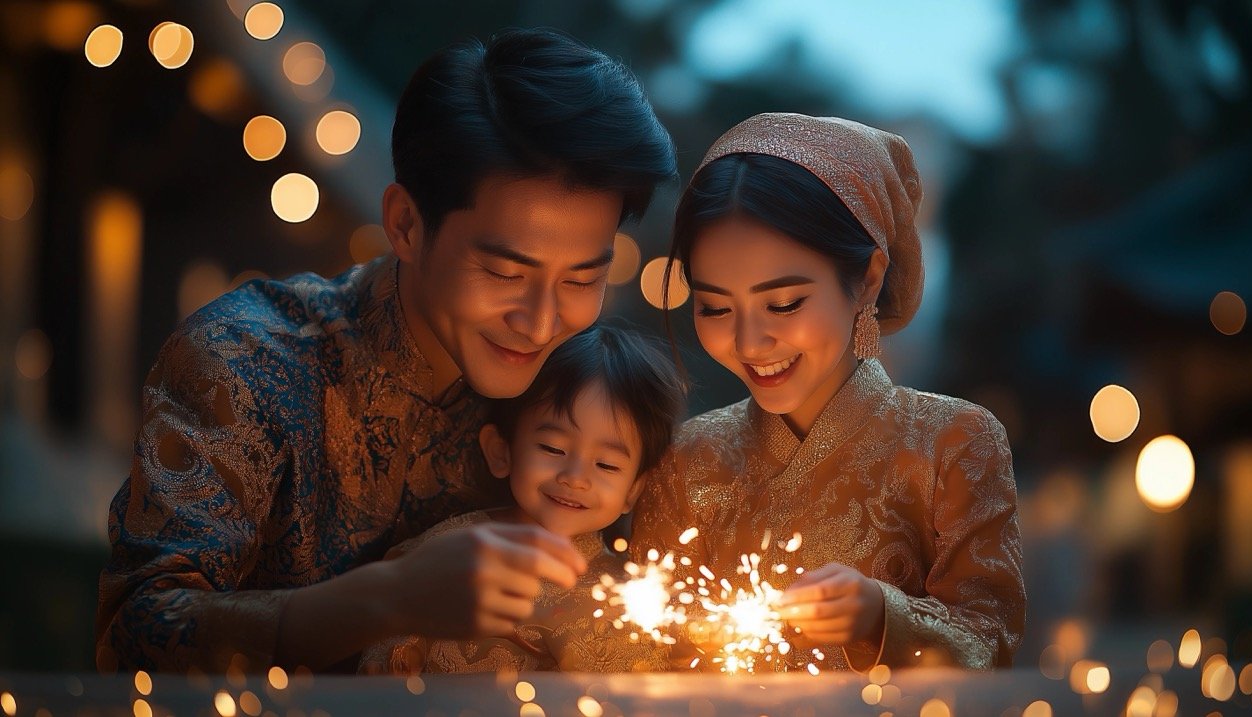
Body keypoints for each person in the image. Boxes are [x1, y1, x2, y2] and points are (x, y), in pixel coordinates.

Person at [95, 28, 677, 673]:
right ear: (405, 223)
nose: (541, 323)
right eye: (506, 273)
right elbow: (133, 634)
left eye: (581, 279)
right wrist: (386, 600)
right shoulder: (242, 360)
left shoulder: (582, 389)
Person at [630, 113, 1025, 671]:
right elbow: (643, 648)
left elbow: (994, 641)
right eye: (715, 307)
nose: (748, 341)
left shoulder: (956, 443)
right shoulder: (688, 459)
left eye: (784, 303)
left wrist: (881, 616)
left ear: (868, 277)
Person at [358, 324, 684, 673]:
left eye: (606, 464)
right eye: (552, 448)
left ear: (633, 490)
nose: (575, 477)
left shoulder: (622, 601)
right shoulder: (449, 548)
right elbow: (383, 658)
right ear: (501, 451)